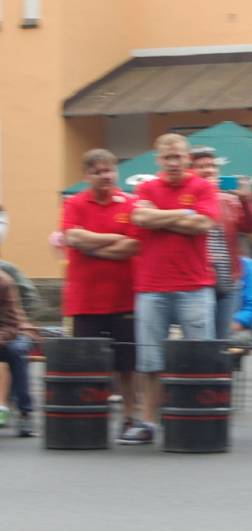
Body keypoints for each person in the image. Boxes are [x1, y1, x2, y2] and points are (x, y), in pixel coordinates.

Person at [122, 133, 219, 445]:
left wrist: (159, 218)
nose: (174, 162)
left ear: (188, 158)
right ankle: (148, 422)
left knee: (198, 357)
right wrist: (184, 215)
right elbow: (138, 216)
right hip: (152, 286)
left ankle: (196, 417)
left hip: (195, 286)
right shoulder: (146, 188)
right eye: (168, 158)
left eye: (179, 156)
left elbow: (204, 224)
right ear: (158, 160)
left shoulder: (203, 186)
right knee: (150, 361)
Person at [61, 149, 140, 439]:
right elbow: (72, 237)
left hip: (124, 298)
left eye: (109, 170)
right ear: (86, 176)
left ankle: (131, 418)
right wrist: (114, 240)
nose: (105, 176)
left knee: (128, 366)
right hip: (86, 301)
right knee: (88, 365)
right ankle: (90, 419)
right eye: (98, 171)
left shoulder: (131, 203)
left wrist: (91, 247)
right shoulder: (74, 203)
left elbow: (134, 245)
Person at [189, 146, 252, 340]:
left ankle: (220, 371)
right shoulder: (187, 199)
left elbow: (251, 226)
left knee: (222, 340)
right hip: (200, 280)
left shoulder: (229, 200)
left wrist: (245, 200)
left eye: (211, 166)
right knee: (203, 338)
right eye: (201, 167)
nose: (208, 170)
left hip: (228, 280)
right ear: (191, 171)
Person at [0, 268, 38, 437]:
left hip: (12, 331)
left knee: (17, 351)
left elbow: (11, 325)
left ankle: (25, 412)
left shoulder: (3, 282)